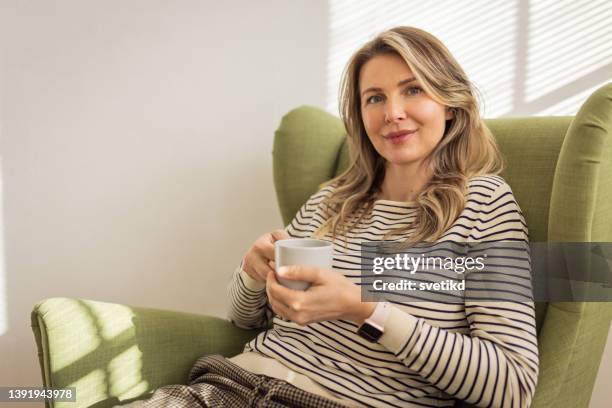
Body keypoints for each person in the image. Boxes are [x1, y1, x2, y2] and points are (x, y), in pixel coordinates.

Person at [136, 26, 538, 408]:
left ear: (449, 104)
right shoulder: (333, 199)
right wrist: (253, 272)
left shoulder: (485, 204)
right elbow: (244, 318)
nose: (392, 113)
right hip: (226, 386)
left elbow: (512, 385)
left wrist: (366, 310)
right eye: (374, 98)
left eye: (413, 89)